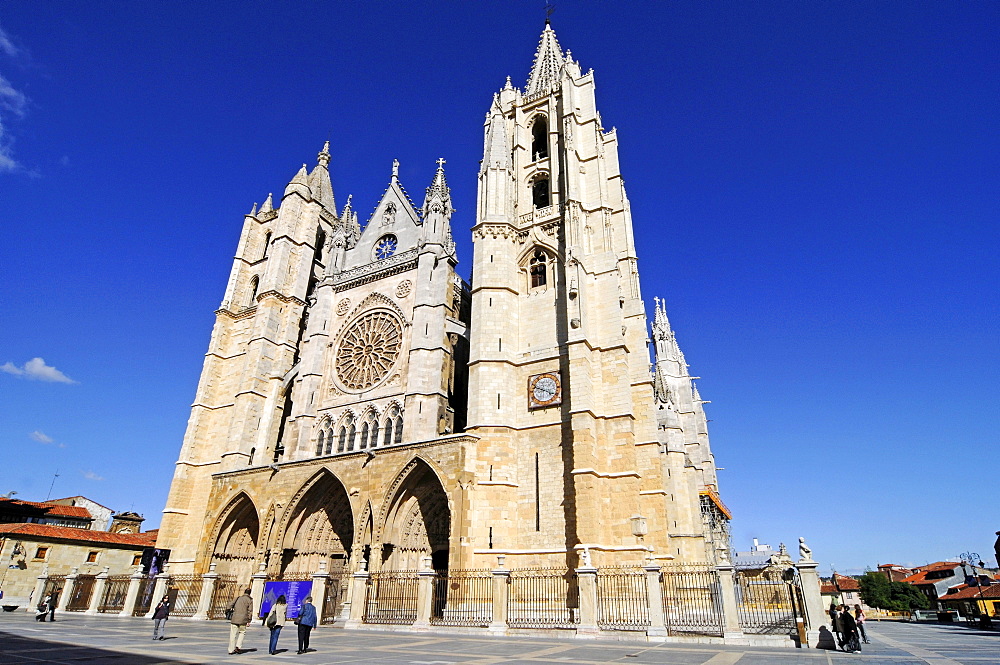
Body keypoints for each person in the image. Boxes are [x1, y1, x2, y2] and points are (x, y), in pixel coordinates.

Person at [227, 588, 254, 655]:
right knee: (242, 632)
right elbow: (250, 611)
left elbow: (229, 605)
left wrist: (227, 611)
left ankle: (230, 650)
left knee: (233, 634)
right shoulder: (249, 600)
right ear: (250, 593)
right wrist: (249, 620)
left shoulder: (238, 598)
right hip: (243, 619)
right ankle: (238, 647)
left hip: (235, 618)